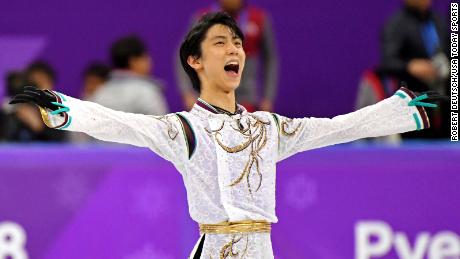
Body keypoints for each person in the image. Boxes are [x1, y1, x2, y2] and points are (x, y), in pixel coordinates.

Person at [9, 12, 445, 258]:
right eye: (221, 42)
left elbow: (336, 128)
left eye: (237, 42)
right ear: (195, 62)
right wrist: (66, 110)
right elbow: (122, 124)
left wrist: (399, 112)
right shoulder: (184, 129)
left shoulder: (266, 127)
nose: (234, 48)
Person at [177, 0, 278, 112]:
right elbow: (184, 53)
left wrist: (268, 98)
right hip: (209, 102)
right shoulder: (201, 19)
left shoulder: (259, 19)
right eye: (219, 42)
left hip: (246, 100)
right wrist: (187, 92)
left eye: (237, 43)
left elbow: (270, 60)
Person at [380, 0, 449, 138]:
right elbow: (387, 62)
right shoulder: (397, 24)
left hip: (445, 99)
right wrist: (410, 66)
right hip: (414, 101)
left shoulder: (438, 20)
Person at [91, 35, 168, 115]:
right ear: (133, 61)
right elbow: (161, 125)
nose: (149, 61)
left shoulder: (99, 93)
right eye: (145, 57)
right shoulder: (146, 92)